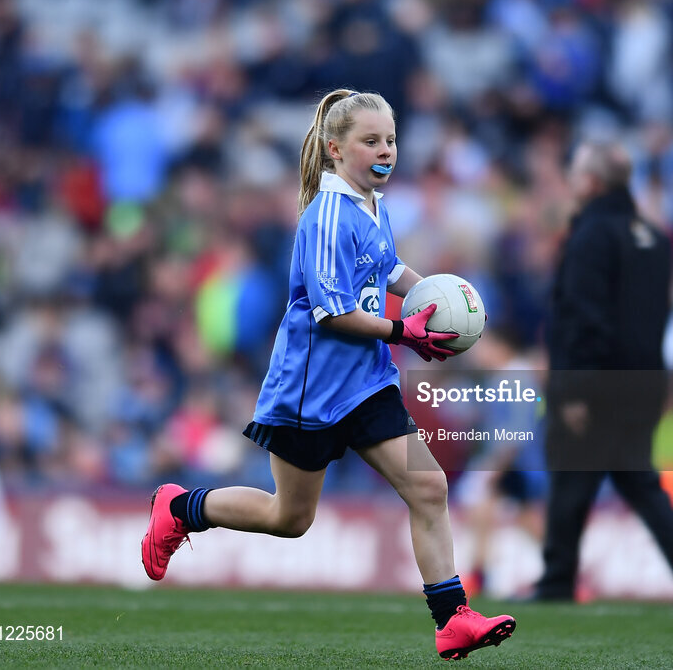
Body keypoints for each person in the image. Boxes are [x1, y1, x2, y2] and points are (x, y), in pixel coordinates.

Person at [141, 89, 516, 660]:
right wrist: (404, 332)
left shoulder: (373, 204)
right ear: (335, 149)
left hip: (367, 383)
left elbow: (386, 268)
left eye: (390, 139)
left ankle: (452, 618)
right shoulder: (325, 217)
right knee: (289, 518)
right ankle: (179, 507)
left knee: (429, 486)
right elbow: (333, 313)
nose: (384, 149)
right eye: (370, 141)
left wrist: (435, 298)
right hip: (310, 392)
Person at [532, 141, 673, 604]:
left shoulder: (591, 235)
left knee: (572, 479)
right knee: (638, 478)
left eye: (575, 173)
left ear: (592, 182)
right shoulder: (654, 238)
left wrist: (573, 390)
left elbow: (582, 318)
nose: (571, 182)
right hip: (645, 382)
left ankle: (556, 580)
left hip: (595, 384)